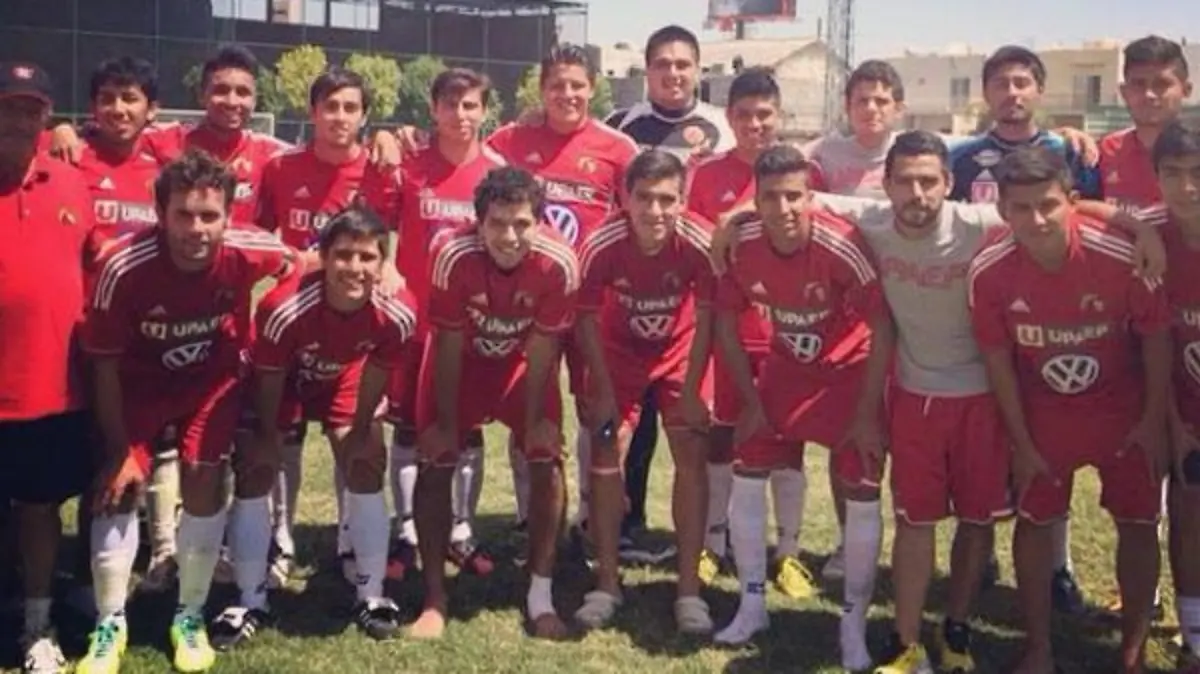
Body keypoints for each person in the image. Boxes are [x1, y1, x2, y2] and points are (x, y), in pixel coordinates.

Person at [712, 131, 1164, 673]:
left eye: (929, 181)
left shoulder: (982, 222)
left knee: (976, 521)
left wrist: (1137, 227)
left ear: (949, 183)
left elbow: (1052, 205)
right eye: (904, 182)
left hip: (982, 397)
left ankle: (957, 630)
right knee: (915, 521)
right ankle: (905, 641)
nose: (917, 193)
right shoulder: (872, 220)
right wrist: (732, 217)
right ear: (886, 186)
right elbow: (791, 199)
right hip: (914, 394)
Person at [80, 150, 295, 674]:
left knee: (204, 479)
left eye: (209, 216)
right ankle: (110, 622)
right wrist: (118, 451)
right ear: (160, 213)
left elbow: (303, 263)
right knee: (117, 488)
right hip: (138, 387)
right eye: (183, 215)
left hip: (209, 385)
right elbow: (103, 366)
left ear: (229, 215)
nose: (197, 229)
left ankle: (190, 613)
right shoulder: (123, 266)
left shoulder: (248, 247)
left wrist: (386, 273)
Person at [969, 146, 1168, 674]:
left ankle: (1132, 654)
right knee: (1035, 522)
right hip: (1044, 415)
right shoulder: (989, 270)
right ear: (1003, 210)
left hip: (1122, 410)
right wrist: (1021, 442)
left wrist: (1153, 421)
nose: (1037, 220)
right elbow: (997, 360)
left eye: (1048, 205)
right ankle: (1038, 649)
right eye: (1021, 208)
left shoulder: (1119, 254)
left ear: (1072, 202)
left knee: (1138, 523)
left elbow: (1154, 337)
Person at [711, 146, 890, 671]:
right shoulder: (743, 243)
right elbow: (726, 322)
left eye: (794, 196)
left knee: (861, 489)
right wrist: (750, 400)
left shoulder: (841, 244)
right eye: (771, 197)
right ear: (756, 199)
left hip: (847, 373)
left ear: (811, 196)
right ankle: (751, 605)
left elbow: (884, 327)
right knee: (748, 471)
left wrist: (866, 414)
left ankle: (852, 624)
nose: (784, 208)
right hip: (786, 369)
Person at [216, 207, 417, 648]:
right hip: (282, 380)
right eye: (343, 255)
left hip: (342, 376)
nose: (355, 268)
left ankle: (371, 593)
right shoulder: (283, 307)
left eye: (367, 257)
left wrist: (361, 430)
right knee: (256, 468)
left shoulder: (398, 311)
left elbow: (377, 371)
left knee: (365, 462)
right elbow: (269, 378)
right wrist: (267, 436)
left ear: (383, 262)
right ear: (323, 257)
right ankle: (250, 599)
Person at [408, 167, 578, 641]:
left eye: (522, 224)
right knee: (436, 459)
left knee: (546, 458)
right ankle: (434, 597)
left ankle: (540, 594)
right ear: (478, 223)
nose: (509, 236)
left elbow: (543, 348)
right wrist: (445, 423)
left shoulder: (559, 262)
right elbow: (446, 341)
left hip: (519, 365)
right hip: (460, 363)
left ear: (540, 222)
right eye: (497, 223)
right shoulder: (451, 253)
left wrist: (537, 420)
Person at [484, 43, 638, 549]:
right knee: (527, 405)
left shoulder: (618, 148)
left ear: (593, 88)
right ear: (541, 89)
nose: (566, 94)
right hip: (528, 302)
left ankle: (593, 516)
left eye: (576, 85)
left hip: (595, 303)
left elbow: (638, 219)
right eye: (556, 85)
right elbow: (469, 174)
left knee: (597, 409)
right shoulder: (510, 140)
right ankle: (532, 513)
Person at [255, 66, 402, 586]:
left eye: (350, 107)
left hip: (353, 328)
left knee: (358, 441)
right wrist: (296, 263)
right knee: (285, 436)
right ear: (312, 112)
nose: (340, 117)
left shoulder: (382, 170)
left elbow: (390, 242)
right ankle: (281, 534)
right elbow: (258, 237)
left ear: (365, 115)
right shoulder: (280, 168)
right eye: (330, 106)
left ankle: (349, 536)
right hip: (296, 322)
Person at [572, 150, 716, 635]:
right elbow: (585, 317)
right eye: (644, 198)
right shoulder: (602, 242)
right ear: (624, 198)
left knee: (690, 455)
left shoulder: (698, 241)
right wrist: (601, 386)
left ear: (683, 200)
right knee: (606, 452)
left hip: (679, 352)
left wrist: (693, 387)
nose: (655, 211)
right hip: (618, 355)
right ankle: (606, 582)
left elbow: (710, 316)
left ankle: (689, 590)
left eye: (667, 199)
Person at [606, 26, 734, 560]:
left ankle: (711, 531)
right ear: (647, 69)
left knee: (695, 422)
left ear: (698, 69)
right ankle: (623, 519)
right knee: (628, 424)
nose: (673, 73)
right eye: (663, 64)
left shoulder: (721, 127)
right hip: (631, 292)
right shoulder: (622, 126)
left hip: (692, 287)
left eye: (683, 64)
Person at [688, 67, 814, 599]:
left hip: (790, 332)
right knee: (723, 438)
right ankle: (714, 543)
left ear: (778, 115)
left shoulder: (802, 171)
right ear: (729, 118)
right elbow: (699, 246)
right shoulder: (706, 174)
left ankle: (788, 552)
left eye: (764, 114)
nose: (754, 124)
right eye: (744, 115)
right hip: (731, 331)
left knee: (788, 444)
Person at [385, 67, 508, 582]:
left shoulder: (497, 173)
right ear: (433, 109)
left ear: (485, 111)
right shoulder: (409, 166)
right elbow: (378, 225)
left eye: (471, 104)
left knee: (468, 427)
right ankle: (407, 530)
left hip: (473, 325)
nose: (460, 114)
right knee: (409, 428)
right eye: (451, 104)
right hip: (416, 320)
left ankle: (461, 528)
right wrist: (387, 268)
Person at [0, 61, 96, 674]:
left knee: (40, 510)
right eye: (8, 106)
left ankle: (37, 625)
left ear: (46, 117)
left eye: (30, 109)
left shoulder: (70, 182)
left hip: (51, 388)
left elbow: (98, 260)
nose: (18, 119)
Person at [71, 56, 167, 610]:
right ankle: (88, 578)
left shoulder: (165, 164)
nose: (118, 108)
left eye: (130, 98)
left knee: (141, 448)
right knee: (95, 451)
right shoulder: (69, 158)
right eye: (107, 97)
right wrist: (60, 132)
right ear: (92, 107)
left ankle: (153, 553)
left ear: (151, 109)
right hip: (81, 334)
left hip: (148, 339)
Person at [1153, 121, 1200, 673]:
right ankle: (1195, 641)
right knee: (1188, 516)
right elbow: (1084, 210)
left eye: (1198, 174)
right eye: (1173, 173)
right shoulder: (1152, 235)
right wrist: (1170, 420)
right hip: (1182, 409)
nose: (1186, 187)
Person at [1100, 36, 1192, 210]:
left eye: (1162, 84)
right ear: (1124, 92)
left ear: (1186, 90)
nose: (1149, 94)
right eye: (1138, 84)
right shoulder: (1106, 150)